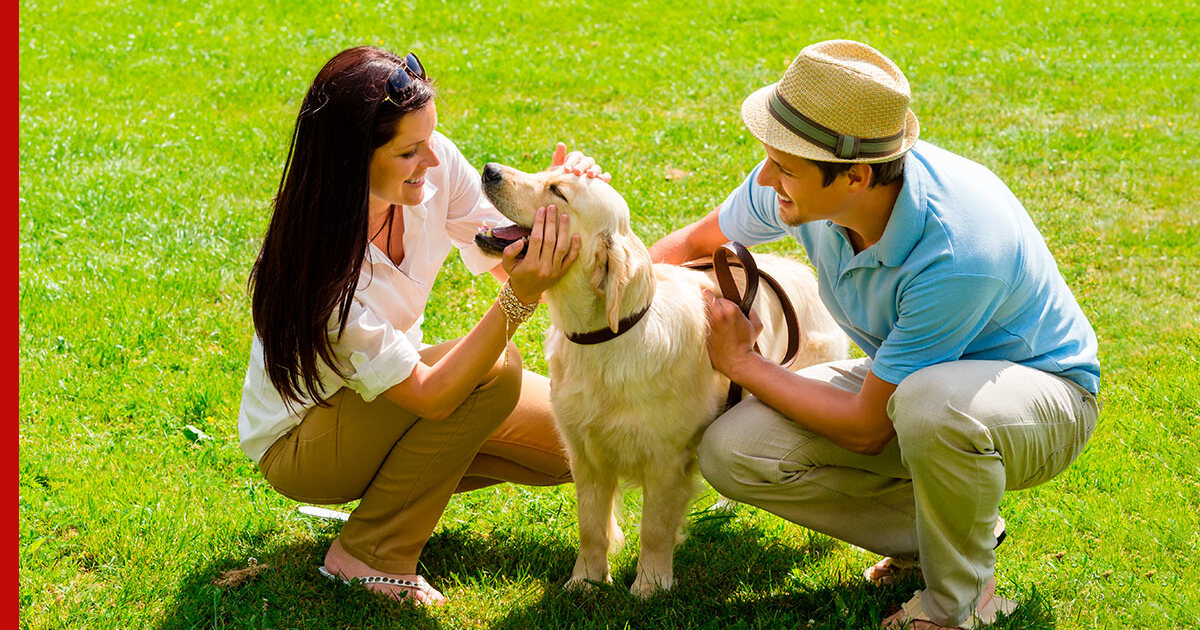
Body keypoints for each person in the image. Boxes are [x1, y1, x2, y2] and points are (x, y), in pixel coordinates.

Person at [649, 40, 1099, 629]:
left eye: (783, 168)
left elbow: (865, 430)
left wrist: (744, 364)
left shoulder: (959, 247)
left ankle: (956, 605)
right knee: (732, 452)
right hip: (911, 380)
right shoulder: (799, 182)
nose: (765, 177)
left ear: (855, 178)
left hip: (1042, 396)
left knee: (929, 407)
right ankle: (949, 535)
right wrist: (622, 320)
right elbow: (689, 245)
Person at [237, 46, 607, 606]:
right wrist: (517, 302)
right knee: (493, 371)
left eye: (430, 139)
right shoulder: (321, 272)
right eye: (409, 151)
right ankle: (369, 552)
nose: (432, 161)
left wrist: (566, 199)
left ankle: (399, 496)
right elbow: (432, 397)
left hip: (388, 398)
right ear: (351, 159)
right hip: (302, 440)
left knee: (573, 443)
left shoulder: (429, 168)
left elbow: (506, 246)